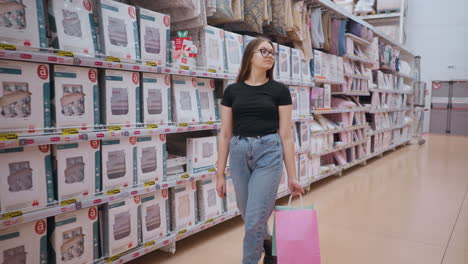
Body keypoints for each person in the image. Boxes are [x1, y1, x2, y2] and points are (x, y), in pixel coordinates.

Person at [216, 37, 305, 264]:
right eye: (263, 51)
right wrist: (219, 174)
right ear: (250, 56)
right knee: (249, 215)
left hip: (269, 152)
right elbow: (225, 134)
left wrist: (293, 177)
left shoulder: (279, 91)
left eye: (272, 53)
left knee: (255, 217)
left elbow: (286, 135)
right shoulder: (232, 91)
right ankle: (267, 242)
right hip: (238, 151)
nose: (269, 56)